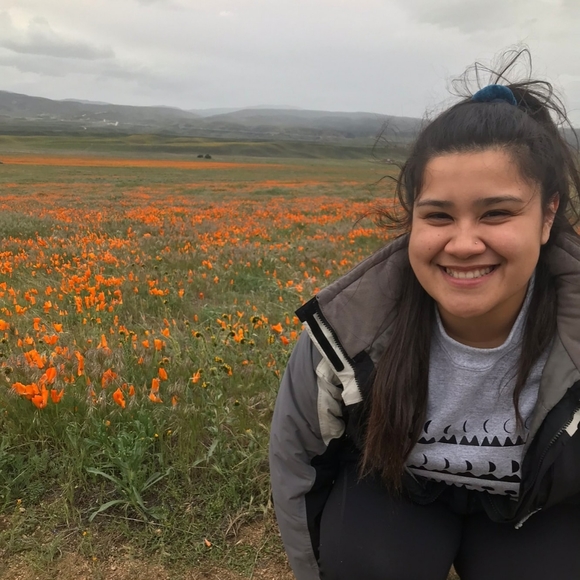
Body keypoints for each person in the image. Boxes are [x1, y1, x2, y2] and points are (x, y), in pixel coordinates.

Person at [269, 50, 580, 580]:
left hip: (535, 509)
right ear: (412, 216)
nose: (463, 243)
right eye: (438, 216)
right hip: (397, 491)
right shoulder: (350, 327)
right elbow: (298, 462)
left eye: (496, 213)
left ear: (547, 214)